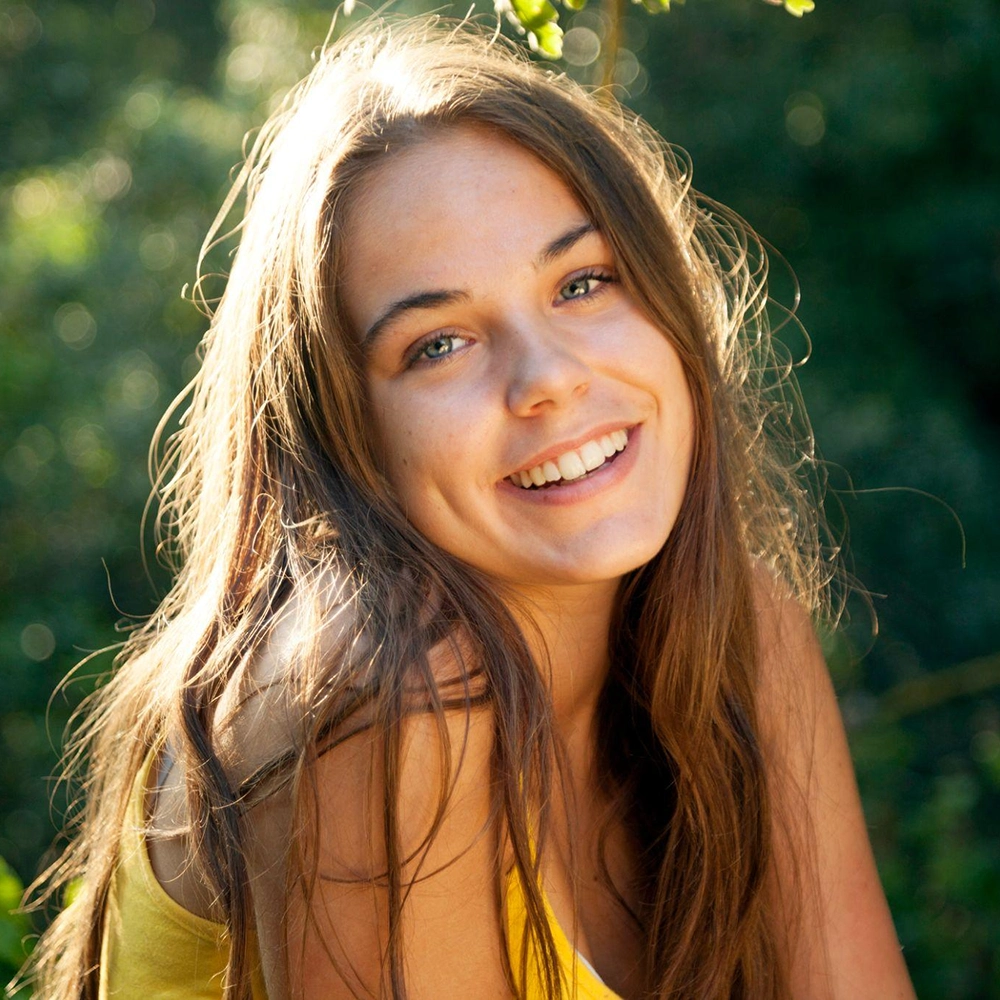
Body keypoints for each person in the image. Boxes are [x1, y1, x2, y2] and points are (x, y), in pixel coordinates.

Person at [29, 16, 917, 1000]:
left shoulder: (742, 643)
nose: (547, 380)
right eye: (438, 344)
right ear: (340, 432)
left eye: (582, 283)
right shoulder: (382, 697)